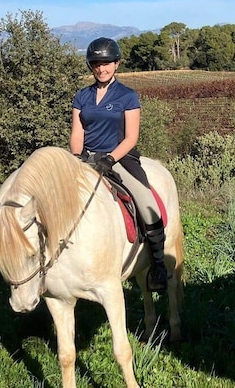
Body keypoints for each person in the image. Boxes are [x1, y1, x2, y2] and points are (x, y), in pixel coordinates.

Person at [70, 37, 168, 293]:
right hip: (87, 158)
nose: (101, 69)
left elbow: (131, 136)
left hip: (120, 158)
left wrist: (110, 158)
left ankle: (158, 265)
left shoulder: (127, 96)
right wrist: (77, 157)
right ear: (91, 66)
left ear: (116, 64)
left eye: (106, 64)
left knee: (147, 203)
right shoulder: (82, 96)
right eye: (96, 64)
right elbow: (77, 132)